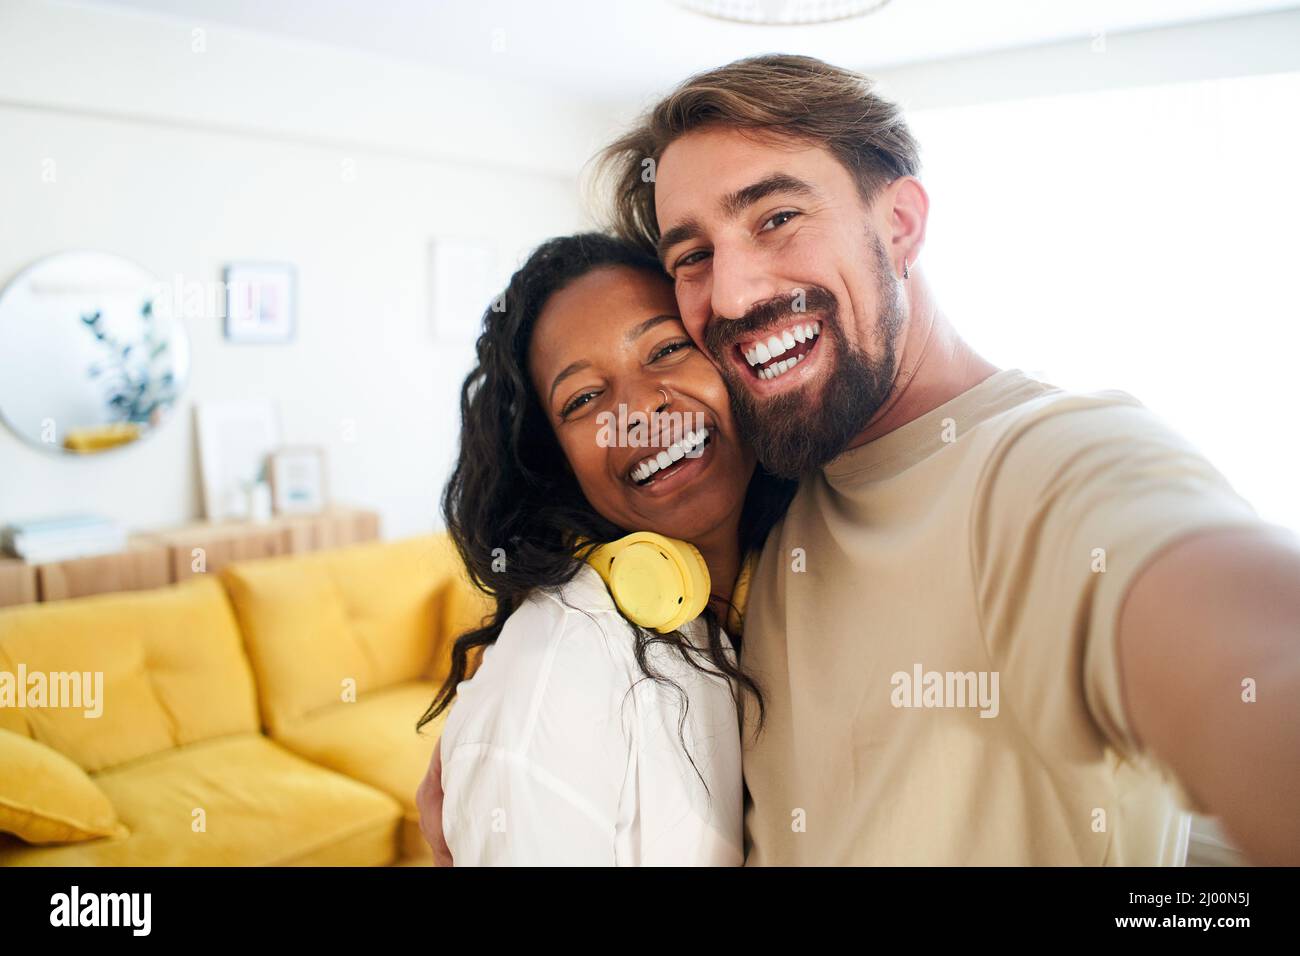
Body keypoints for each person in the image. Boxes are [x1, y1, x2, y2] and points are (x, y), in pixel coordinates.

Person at [419, 54, 1300, 866]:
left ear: (903, 224)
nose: (732, 293)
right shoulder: (781, 490)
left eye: (778, 217)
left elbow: (1244, 655)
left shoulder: (1055, 471)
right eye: (694, 256)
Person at [416, 232, 794, 865]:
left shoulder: (779, 584)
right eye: (584, 399)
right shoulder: (560, 668)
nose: (639, 411)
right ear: (554, 462)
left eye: (668, 349)